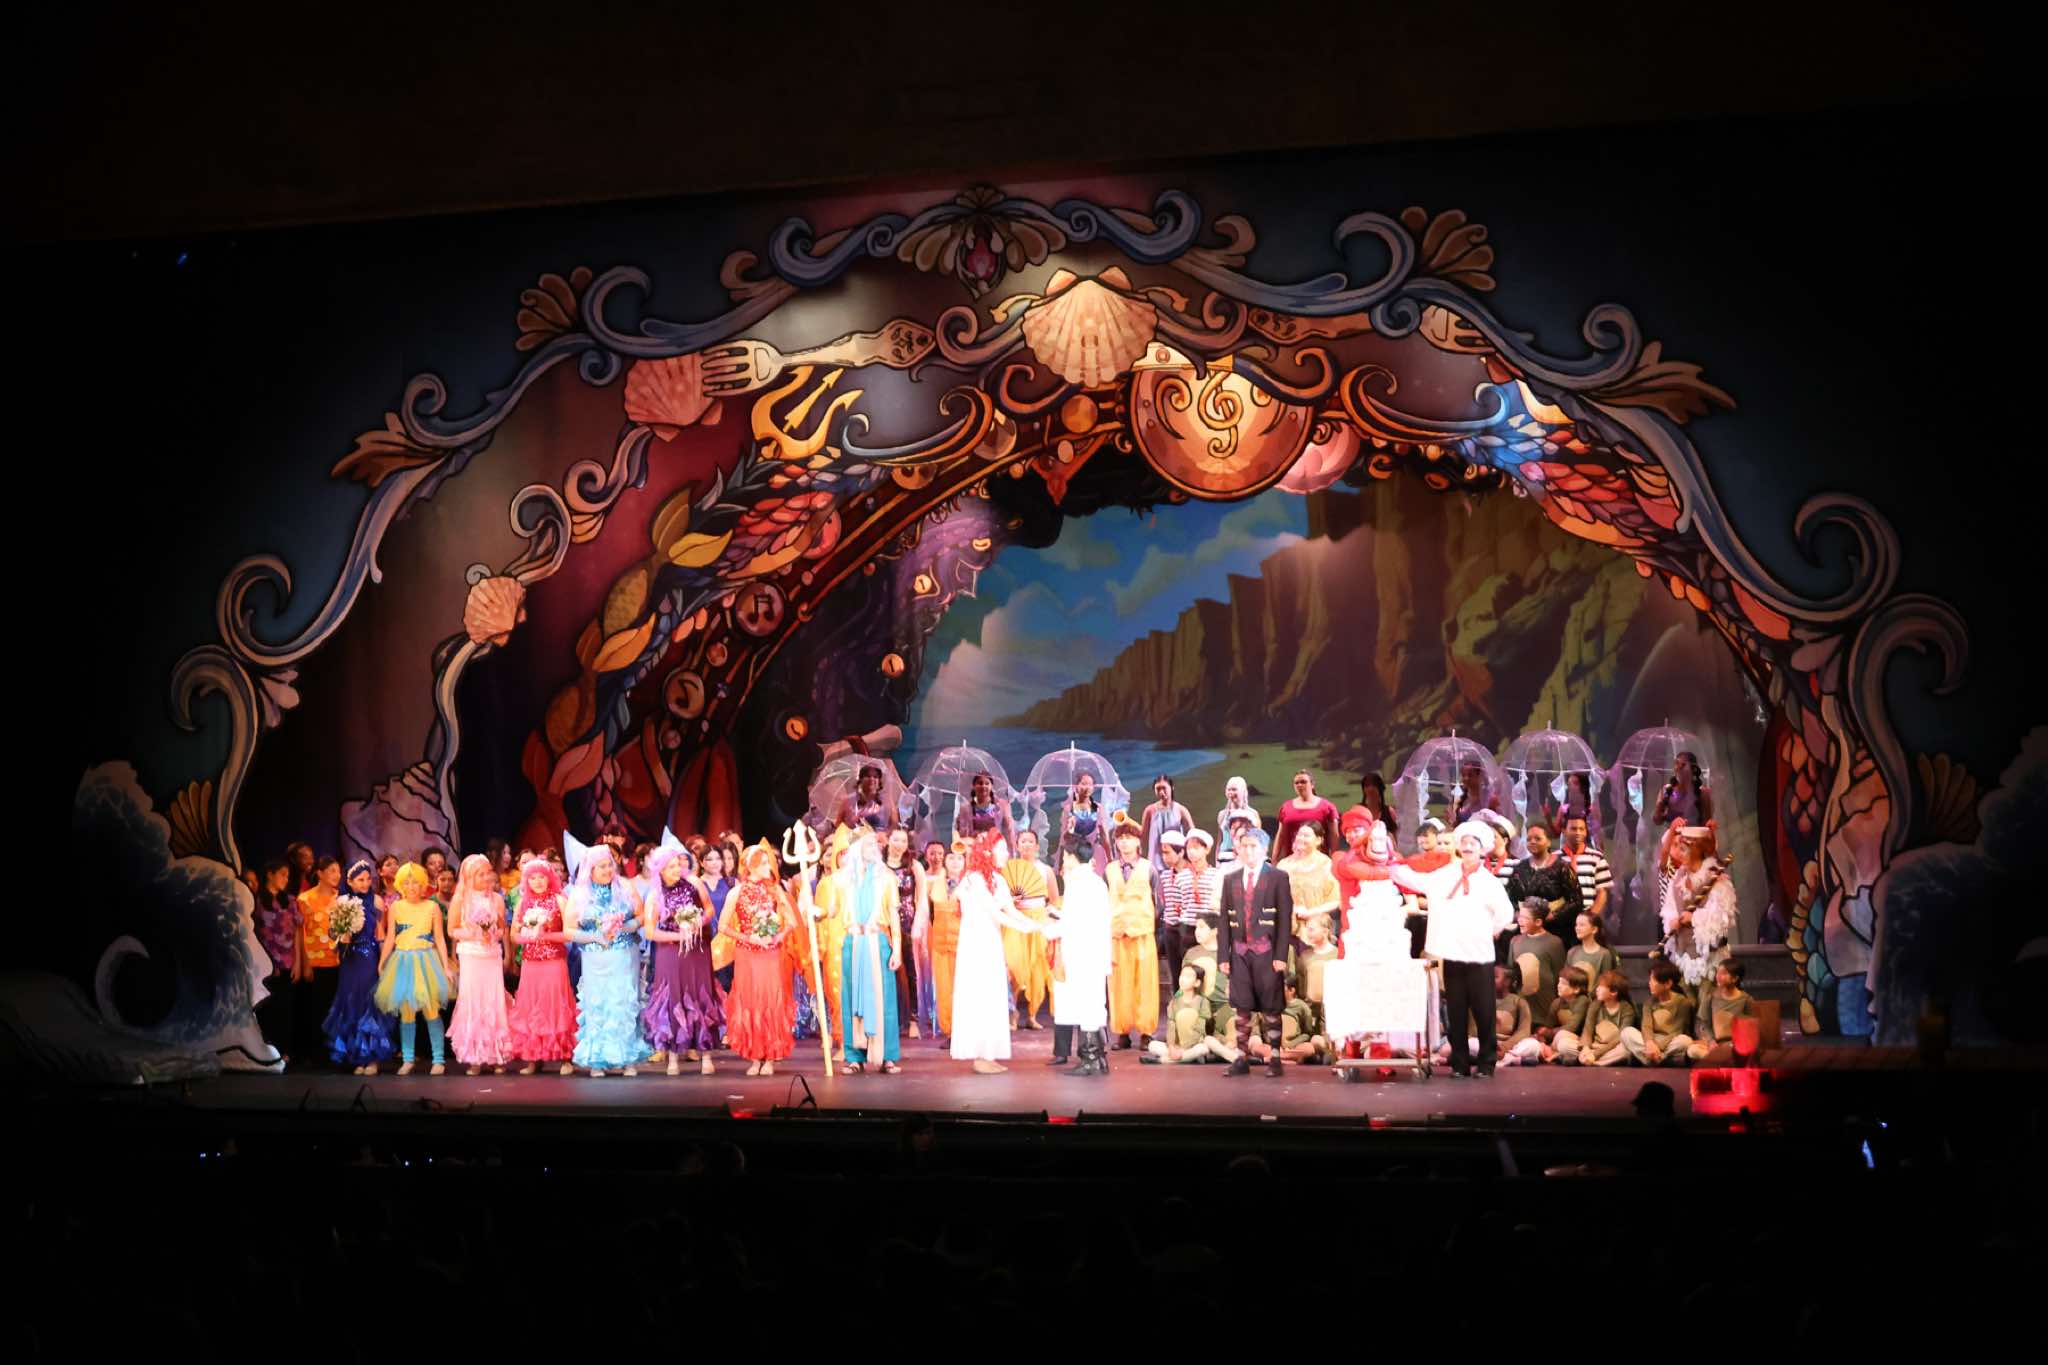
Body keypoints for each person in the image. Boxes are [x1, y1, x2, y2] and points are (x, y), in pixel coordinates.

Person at [1390, 821, 1515, 1078]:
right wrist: (1390, 865)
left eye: (1473, 843)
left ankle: (1486, 1063)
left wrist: (1489, 930)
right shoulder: (1445, 875)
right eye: (1464, 842)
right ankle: (1459, 1064)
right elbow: (1417, 880)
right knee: (1456, 1010)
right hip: (1452, 953)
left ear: (1482, 849)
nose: (1468, 847)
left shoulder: (1489, 882)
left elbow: (1505, 913)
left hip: (1479, 955)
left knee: (1484, 1011)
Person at [950, 830, 1046, 1074]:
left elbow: (1010, 910)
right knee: (980, 996)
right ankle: (980, 1056)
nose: (1006, 853)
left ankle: (988, 1053)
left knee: (993, 995)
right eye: (1001, 849)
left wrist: (1035, 925)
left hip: (992, 942)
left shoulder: (998, 879)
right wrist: (1026, 928)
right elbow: (995, 913)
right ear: (987, 851)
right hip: (976, 944)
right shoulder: (973, 879)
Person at [564, 843, 648, 1077]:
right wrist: (595, 936)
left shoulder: (625, 886)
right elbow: (568, 931)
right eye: (601, 866)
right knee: (598, 1004)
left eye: (609, 865)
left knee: (624, 1002)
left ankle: (627, 1058)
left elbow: (642, 915)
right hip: (595, 958)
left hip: (624, 955)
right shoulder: (579, 894)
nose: (607, 870)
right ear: (590, 869)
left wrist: (628, 925)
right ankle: (598, 1059)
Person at [1217, 826, 1294, 1077]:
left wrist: (1280, 956)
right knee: (1241, 1006)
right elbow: (1223, 920)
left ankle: (1275, 1057)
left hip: (1267, 952)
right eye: (1244, 846)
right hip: (1239, 952)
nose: (1248, 851)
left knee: (1271, 1006)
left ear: (1264, 849)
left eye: (1253, 846)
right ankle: (1241, 1058)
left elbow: (1284, 919)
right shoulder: (1231, 878)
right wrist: (1223, 956)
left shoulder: (1277, 877)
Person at [640, 844, 721, 1076]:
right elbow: (650, 932)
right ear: (661, 870)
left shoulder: (694, 883)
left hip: (697, 950)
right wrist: (678, 936)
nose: (677, 869)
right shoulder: (655, 895)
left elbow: (709, 910)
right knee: (672, 998)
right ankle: (673, 1056)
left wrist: (697, 924)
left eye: (678, 864)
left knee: (700, 994)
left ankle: (706, 1054)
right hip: (670, 953)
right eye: (671, 867)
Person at [831, 827, 904, 1075]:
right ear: (857, 848)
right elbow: (831, 911)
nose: (875, 848)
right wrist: (813, 911)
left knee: (884, 999)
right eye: (869, 844)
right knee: (851, 998)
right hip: (853, 941)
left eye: (875, 844)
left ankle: (887, 1056)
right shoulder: (842, 879)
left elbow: (893, 914)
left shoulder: (886, 877)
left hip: (877, 940)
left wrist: (897, 949)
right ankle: (854, 1057)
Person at [373, 861, 455, 1076]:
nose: (411, 887)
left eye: (416, 882)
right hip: (403, 961)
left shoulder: (431, 907)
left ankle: (438, 1059)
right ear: (400, 885)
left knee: (431, 1010)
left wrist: (446, 966)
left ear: (423, 884)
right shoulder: (396, 907)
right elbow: (390, 936)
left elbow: (439, 938)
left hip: (426, 960)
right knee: (407, 1012)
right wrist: (382, 961)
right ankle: (408, 1059)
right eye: (407, 883)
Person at [724, 842, 797, 1075]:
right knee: (750, 1000)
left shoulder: (774, 890)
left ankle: (771, 1057)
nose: (769, 867)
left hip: (770, 954)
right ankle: (755, 1056)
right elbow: (723, 927)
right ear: (751, 867)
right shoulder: (736, 892)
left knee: (770, 1000)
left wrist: (778, 937)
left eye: (768, 862)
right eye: (764, 863)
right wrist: (749, 938)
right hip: (747, 954)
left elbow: (792, 922)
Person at [1042, 854, 1113, 1074]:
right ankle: (1098, 1058)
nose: (1064, 861)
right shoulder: (1097, 882)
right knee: (1094, 1004)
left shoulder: (1077, 884)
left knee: (1087, 1005)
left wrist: (1046, 929)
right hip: (1094, 953)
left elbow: (1072, 924)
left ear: (1072, 857)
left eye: (1065, 857)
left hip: (1081, 954)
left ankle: (1090, 1059)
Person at [323, 859, 395, 1074]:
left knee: (368, 1002)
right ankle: (357, 1057)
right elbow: (331, 932)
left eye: (368, 879)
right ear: (350, 882)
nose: (365, 883)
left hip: (369, 956)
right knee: (351, 1002)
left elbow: (380, 934)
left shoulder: (377, 901)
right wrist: (341, 935)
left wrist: (384, 962)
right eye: (360, 880)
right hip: (350, 958)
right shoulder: (340, 901)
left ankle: (372, 1059)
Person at [446, 853, 514, 1075]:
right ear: (469, 877)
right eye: (480, 874)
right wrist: (474, 933)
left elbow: (502, 928)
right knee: (474, 1001)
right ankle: (475, 1056)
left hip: (491, 955)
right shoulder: (460, 900)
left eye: (487, 873)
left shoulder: (497, 899)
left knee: (494, 1000)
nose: (486, 878)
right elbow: (452, 930)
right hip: (471, 954)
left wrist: (493, 933)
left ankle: (497, 1055)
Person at [507, 857, 577, 1075]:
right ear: (526, 881)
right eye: (533, 878)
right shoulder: (523, 902)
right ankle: (534, 1058)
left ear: (549, 878)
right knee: (532, 1006)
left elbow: (569, 934)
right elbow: (513, 935)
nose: (537, 882)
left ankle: (565, 1057)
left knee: (556, 1005)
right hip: (531, 962)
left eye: (541, 877)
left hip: (554, 961)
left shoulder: (560, 900)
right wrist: (529, 936)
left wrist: (546, 934)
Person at [1660, 821, 1738, 1012]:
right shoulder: (1678, 877)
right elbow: (1669, 907)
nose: (1679, 853)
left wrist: (1693, 919)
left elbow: (1721, 916)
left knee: (1706, 1006)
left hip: (1707, 958)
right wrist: (1673, 921)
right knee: (1687, 1007)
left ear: (1696, 849)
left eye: (1683, 848)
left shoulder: (1715, 878)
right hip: (1683, 954)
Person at [1105, 814, 1159, 1050]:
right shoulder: (1109, 870)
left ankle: (1146, 1031)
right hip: (1117, 934)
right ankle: (1122, 1031)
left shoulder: (1149, 868)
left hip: (1142, 934)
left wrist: (1144, 921)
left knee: (1145, 983)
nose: (1124, 842)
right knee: (1119, 984)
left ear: (1138, 841)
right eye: (1121, 838)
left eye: (1129, 838)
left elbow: (1158, 901)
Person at [1001, 829, 1057, 1030]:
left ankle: (1032, 1015)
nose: (1026, 845)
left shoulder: (1045, 870)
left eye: (1030, 841)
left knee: (1036, 969)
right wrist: (1010, 902)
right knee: (1013, 967)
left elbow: (1053, 900)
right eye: (1022, 841)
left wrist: (1048, 919)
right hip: (1015, 921)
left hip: (1038, 921)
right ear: (1017, 845)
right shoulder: (1007, 870)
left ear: (1037, 846)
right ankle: (1012, 1013)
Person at [293, 856, 344, 1065]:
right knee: (315, 1008)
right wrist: (304, 963)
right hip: (314, 962)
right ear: (320, 874)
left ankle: (333, 1051)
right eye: (332, 871)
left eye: (338, 871)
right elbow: (301, 933)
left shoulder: (341, 899)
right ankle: (314, 1053)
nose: (337, 875)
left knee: (334, 1008)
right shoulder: (305, 899)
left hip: (337, 961)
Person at [1503, 820, 1581, 945]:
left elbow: (1576, 900)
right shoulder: (1519, 868)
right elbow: (1509, 898)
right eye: (1529, 839)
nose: (1532, 842)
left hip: (1557, 931)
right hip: (1526, 930)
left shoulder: (1562, 867)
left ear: (1549, 841)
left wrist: (1553, 915)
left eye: (1538, 838)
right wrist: (1519, 915)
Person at [883, 826, 927, 1039]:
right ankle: (889, 1017)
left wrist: (918, 924)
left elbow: (922, 898)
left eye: (903, 841)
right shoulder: (879, 865)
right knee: (886, 970)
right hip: (885, 922)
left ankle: (913, 1019)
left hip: (907, 922)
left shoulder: (913, 866)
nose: (899, 844)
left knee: (910, 972)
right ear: (888, 840)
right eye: (896, 840)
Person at [252, 860, 297, 1056]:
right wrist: (268, 961)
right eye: (282, 875)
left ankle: (284, 1050)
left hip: (287, 961)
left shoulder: (290, 901)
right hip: (265, 962)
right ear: (270, 874)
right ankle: (268, 1050)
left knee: (285, 1008)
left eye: (288, 876)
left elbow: (297, 931)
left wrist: (298, 962)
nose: (286, 879)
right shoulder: (258, 901)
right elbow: (255, 932)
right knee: (267, 1007)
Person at [923, 841, 966, 1038]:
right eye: (951, 857)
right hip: (940, 942)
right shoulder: (934, 882)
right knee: (943, 987)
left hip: (963, 943)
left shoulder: (970, 883)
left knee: (963, 987)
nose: (955, 862)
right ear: (945, 861)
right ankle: (949, 1031)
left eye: (959, 858)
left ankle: (964, 1031)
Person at [1277, 824, 1340, 946]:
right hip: (1287, 928)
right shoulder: (1284, 865)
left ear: (1318, 840)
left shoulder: (1327, 865)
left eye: (1306, 835)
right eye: (1299, 834)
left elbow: (1335, 900)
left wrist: (1310, 913)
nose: (1301, 838)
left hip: (1316, 930)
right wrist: (1291, 909)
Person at [1507, 901, 1567, 1027]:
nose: (1520, 920)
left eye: (1525, 918)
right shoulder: (1515, 941)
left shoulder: (1553, 943)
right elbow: (1510, 974)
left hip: (1544, 1009)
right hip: (1521, 1009)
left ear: (1538, 922)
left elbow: (1559, 974)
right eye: (1519, 916)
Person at [1176, 829, 1221, 993]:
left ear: (1207, 849)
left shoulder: (1216, 875)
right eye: (1189, 848)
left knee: (1209, 967)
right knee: (1189, 967)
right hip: (1187, 928)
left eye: (1196, 847)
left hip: (1209, 929)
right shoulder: (1181, 876)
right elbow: (1179, 904)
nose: (1192, 852)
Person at [1625, 962, 1697, 1066]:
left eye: (1653, 980)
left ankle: (1651, 1058)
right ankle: (1660, 1059)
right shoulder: (1649, 1002)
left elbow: (1676, 1031)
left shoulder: (1682, 1002)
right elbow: (1646, 1026)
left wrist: (1657, 1047)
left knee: (1685, 1041)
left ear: (1667, 984)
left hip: (1669, 1040)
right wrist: (1650, 1043)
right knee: (1627, 1032)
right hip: (1651, 1040)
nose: (1649, 983)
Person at [1689, 960, 1756, 1061]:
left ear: (1735, 978)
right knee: (1692, 1050)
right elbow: (1705, 1025)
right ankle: (1721, 1058)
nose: (1718, 976)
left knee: (1740, 1051)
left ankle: (1719, 1058)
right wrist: (1711, 1041)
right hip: (1715, 1045)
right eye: (1718, 972)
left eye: (1723, 973)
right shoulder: (1711, 997)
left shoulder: (1746, 999)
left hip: (1735, 1044)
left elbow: (1751, 1026)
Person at [1559, 814, 1613, 923]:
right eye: (1573, 829)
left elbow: (1602, 892)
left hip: (1587, 918)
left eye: (1581, 829)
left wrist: (1590, 918)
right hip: (1561, 919)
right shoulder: (1554, 858)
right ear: (1564, 831)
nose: (1578, 832)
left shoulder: (1596, 857)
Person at [1275, 771, 1337, 862]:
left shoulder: (1327, 807)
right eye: (1296, 783)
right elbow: (1280, 835)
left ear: (1312, 784)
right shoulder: (1286, 807)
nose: (1299, 785)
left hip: (1318, 862)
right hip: (1292, 861)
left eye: (1303, 782)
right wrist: (1274, 858)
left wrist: (1334, 859)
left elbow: (1334, 835)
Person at [1582, 970, 1639, 1067]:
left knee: (1625, 1051)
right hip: (1595, 1046)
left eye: (1601, 986)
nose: (1597, 989)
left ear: (1614, 992)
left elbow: (1620, 1038)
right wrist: (1585, 1048)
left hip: (1613, 1047)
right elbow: (1588, 1029)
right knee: (1566, 1045)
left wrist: (1595, 1054)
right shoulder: (1595, 1005)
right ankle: (1589, 1058)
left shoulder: (1626, 1009)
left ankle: (1593, 1062)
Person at [1538, 964, 1592, 1064]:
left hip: (1578, 1040)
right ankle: (1555, 1053)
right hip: (1559, 1039)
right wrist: (1542, 1036)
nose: (1559, 985)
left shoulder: (1583, 1001)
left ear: (1576, 989)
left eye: (1563, 983)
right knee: (1536, 1042)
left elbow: (1572, 1027)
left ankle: (1553, 1052)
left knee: (1563, 1042)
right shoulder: (1557, 1003)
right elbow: (1548, 1026)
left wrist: (1550, 1032)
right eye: (1559, 982)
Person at [954, 770, 1016, 850]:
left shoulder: (1002, 805)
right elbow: (960, 833)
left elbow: (1009, 829)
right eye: (980, 783)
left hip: (997, 847)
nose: (983, 786)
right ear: (973, 786)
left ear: (991, 786)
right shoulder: (965, 808)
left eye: (987, 783)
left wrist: (1011, 849)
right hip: (974, 847)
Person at [1061, 769, 1108, 873]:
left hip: (1095, 853)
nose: (1087, 787)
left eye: (1090, 784)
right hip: (1075, 854)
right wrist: (1070, 829)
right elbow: (1064, 838)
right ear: (1076, 786)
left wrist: (1109, 856)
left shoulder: (1098, 808)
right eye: (1083, 784)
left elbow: (1104, 834)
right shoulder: (1069, 809)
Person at [1567, 911, 1621, 998]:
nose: (1577, 928)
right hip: (1574, 1000)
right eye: (1576, 925)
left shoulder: (1604, 954)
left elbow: (1606, 982)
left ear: (1594, 929)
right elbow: (1567, 978)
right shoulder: (1572, 952)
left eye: (1582, 925)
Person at [1653, 751, 1714, 828]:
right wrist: (1659, 806)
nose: (1678, 768)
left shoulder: (1702, 793)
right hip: (1672, 835)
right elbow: (1657, 821)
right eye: (1676, 763)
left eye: (1683, 765)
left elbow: (1707, 823)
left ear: (1693, 769)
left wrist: (1710, 825)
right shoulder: (1667, 790)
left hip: (1694, 834)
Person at [1215, 775, 1261, 861]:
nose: (1231, 792)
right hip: (1224, 857)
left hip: (1244, 858)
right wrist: (1217, 861)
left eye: (1234, 789)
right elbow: (1219, 841)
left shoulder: (1252, 814)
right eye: (1229, 789)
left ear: (1243, 791)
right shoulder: (1222, 814)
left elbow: (1257, 841)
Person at [836, 763, 892, 834]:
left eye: (875, 777)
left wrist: (884, 834)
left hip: (879, 839)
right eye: (868, 776)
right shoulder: (849, 800)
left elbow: (893, 825)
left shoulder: (886, 800)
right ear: (861, 779)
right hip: (854, 838)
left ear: (879, 781)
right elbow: (838, 825)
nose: (872, 779)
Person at [1555, 771, 1602, 849]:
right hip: (1567, 849)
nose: (1570, 786)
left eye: (1575, 783)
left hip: (1586, 848)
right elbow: (1556, 833)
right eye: (1569, 784)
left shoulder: (1591, 810)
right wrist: (1548, 818)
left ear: (1583, 787)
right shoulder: (1563, 809)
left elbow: (1597, 833)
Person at [1357, 771, 1398, 841]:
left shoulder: (1389, 812)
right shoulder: (1358, 810)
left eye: (1374, 785)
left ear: (1380, 788)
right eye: (1367, 786)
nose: (1370, 789)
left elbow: (1394, 837)